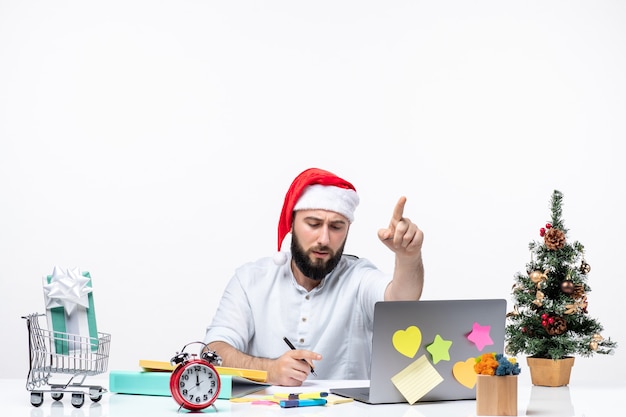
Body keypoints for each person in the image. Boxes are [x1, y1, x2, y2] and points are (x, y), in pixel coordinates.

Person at [204, 167, 424, 386]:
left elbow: (400, 300)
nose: (324, 239)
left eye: (337, 227)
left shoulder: (358, 277)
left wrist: (408, 257)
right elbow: (213, 350)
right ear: (291, 223)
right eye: (313, 224)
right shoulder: (250, 280)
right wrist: (268, 370)